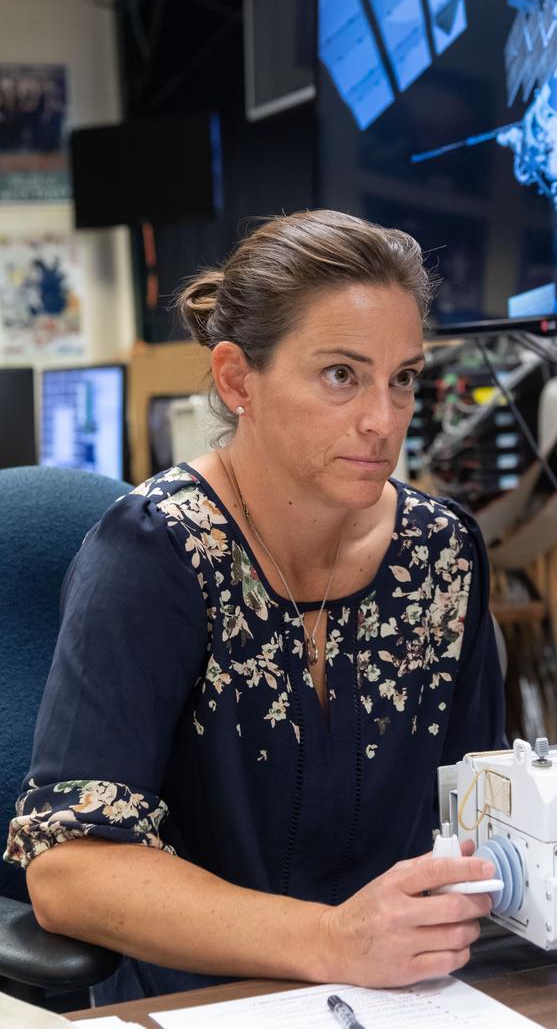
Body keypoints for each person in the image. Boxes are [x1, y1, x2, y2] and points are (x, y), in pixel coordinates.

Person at [5, 210, 505, 1002]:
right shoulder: (155, 554)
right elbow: (70, 875)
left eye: (402, 377)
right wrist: (336, 941)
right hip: (197, 1001)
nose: (383, 420)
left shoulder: (441, 553)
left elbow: (483, 806)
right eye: (341, 375)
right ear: (238, 380)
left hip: (409, 996)